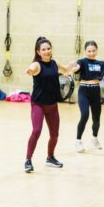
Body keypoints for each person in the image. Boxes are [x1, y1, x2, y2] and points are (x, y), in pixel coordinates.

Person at [24, 37, 79, 173]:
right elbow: (31, 68)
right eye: (43, 49)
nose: (47, 51)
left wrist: (71, 66)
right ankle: (28, 160)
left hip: (52, 105)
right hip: (38, 104)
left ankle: (50, 157)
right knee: (36, 130)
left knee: (54, 134)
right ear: (38, 51)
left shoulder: (54, 63)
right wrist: (29, 70)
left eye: (48, 48)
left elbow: (65, 70)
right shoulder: (37, 64)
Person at [69, 41, 104, 152]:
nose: (91, 53)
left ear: (97, 50)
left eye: (93, 51)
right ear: (85, 51)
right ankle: (78, 141)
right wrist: (73, 68)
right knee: (85, 115)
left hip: (96, 91)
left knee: (96, 119)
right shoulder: (81, 62)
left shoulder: (100, 63)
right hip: (84, 91)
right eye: (89, 51)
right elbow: (76, 69)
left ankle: (94, 138)